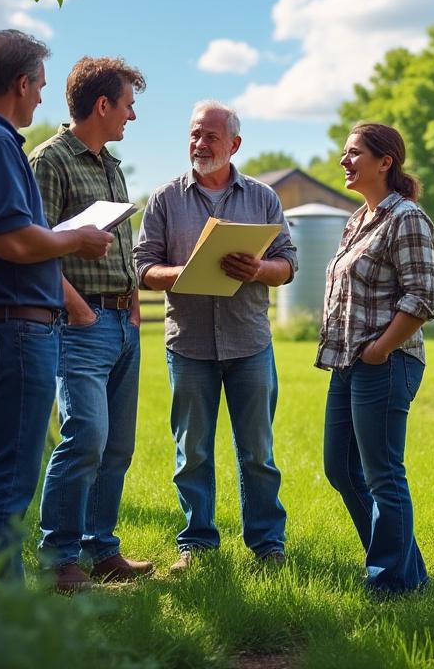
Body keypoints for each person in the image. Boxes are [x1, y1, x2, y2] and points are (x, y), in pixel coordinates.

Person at [0, 29, 113, 580]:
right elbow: (12, 240)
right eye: (39, 87)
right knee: (7, 483)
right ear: (20, 82)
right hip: (10, 330)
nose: (40, 98)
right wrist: (77, 239)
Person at [133, 100, 298, 571]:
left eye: (210, 136)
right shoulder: (165, 199)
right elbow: (142, 268)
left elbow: (289, 263)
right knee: (193, 452)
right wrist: (186, 273)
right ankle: (197, 545)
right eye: (194, 134)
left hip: (249, 343)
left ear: (235, 144)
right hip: (188, 346)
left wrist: (259, 268)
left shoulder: (263, 197)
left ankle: (268, 546)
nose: (200, 144)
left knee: (258, 453)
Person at [30, 57, 151, 592]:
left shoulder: (112, 165)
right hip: (80, 324)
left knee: (117, 445)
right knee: (86, 437)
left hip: (122, 320)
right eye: (128, 105)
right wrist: (78, 308)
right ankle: (59, 560)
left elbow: (114, 241)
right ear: (103, 105)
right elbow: (34, 247)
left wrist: (133, 302)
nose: (132, 116)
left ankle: (102, 550)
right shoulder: (49, 161)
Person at [316, 122, 434, 596]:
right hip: (348, 364)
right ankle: (407, 571)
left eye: (354, 154)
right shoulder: (357, 220)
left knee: (383, 473)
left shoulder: (408, 218)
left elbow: (422, 297)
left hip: (387, 364)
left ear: (384, 162)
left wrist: (381, 348)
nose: (344, 162)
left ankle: (390, 583)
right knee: (340, 468)